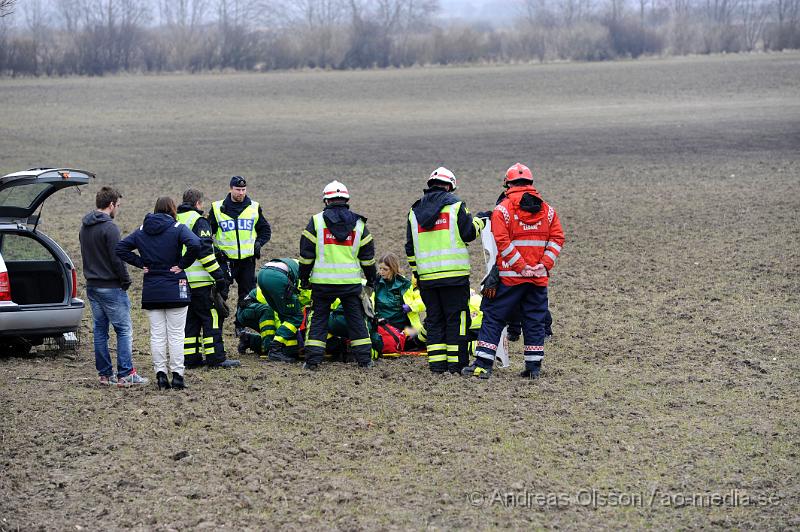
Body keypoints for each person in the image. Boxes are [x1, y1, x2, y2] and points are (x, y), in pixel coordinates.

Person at [462, 163, 564, 380]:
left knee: (493, 317)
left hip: (509, 278)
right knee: (534, 320)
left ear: (508, 184)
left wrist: (521, 267)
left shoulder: (503, 210)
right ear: (531, 183)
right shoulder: (549, 211)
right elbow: (557, 239)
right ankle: (533, 368)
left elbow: (503, 242)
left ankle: (482, 365)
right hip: (538, 279)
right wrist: (543, 265)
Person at [117, 197, 202, 390]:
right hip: (175, 288)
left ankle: (161, 375)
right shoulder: (178, 228)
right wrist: (182, 265)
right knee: (176, 335)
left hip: (152, 290)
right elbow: (196, 244)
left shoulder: (141, 230)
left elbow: (120, 248)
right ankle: (178, 376)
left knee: (157, 335)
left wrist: (141, 264)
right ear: (173, 210)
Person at [405, 167, 484, 374]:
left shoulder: (414, 212)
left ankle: (437, 365)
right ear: (450, 186)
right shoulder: (456, 206)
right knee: (456, 320)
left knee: (435, 320)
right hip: (454, 277)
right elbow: (469, 234)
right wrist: (480, 221)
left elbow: (410, 249)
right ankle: (456, 365)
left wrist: (418, 273)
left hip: (427, 279)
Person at [299, 180, 377, 371]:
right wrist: (371, 280)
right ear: (347, 200)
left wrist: (304, 278)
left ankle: (312, 362)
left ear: (326, 201)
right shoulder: (359, 224)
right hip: (350, 283)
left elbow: (306, 256)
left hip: (322, 283)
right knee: (356, 320)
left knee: (318, 320)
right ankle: (365, 360)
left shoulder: (316, 222)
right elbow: (367, 258)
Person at [79, 186, 147, 387]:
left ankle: (105, 375)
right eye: (118, 205)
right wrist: (126, 280)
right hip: (110, 287)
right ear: (111, 205)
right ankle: (126, 374)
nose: (118, 209)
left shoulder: (85, 227)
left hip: (92, 286)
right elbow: (117, 259)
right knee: (124, 329)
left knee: (100, 330)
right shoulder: (110, 228)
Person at [176, 189, 240, 369]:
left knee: (190, 321)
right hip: (202, 281)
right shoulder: (199, 221)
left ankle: (191, 359)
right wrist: (219, 277)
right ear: (198, 203)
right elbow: (205, 253)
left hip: (182, 282)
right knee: (211, 318)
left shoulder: (175, 220)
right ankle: (216, 359)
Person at [208, 175, 271, 333]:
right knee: (221, 293)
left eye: (243, 189)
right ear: (230, 189)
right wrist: (216, 250)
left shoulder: (254, 207)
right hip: (226, 260)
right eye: (237, 189)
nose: (241, 193)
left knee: (246, 295)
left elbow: (265, 230)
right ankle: (218, 325)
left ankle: (240, 326)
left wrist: (259, 243)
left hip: (247, 261)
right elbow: (207, 234)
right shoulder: (217, 208)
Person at [247, 257, 304, 362]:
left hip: (263, 273)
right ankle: (275, 349)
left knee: (285, 315)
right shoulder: (310, 272)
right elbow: (304, 293)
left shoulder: (297, 263)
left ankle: (288, 350)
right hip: (277, 277)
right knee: (296, 316)